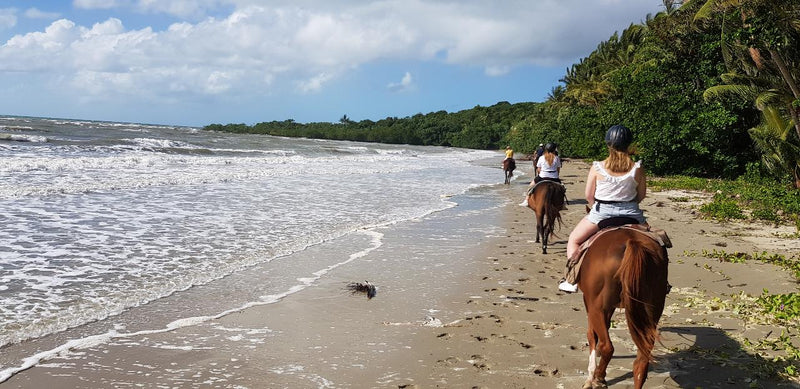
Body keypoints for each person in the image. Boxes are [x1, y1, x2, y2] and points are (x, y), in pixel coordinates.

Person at [558, 125, 649, 293]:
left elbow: (588, 195)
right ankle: (659, 283)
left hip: (602, 214)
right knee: (657, 243)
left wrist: (596, 207)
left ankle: (572, 279)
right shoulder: (637, 168)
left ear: (608, 144)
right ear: (629, 144)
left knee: (574, 240)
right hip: (632, 214)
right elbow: (641, 196)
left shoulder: (598, 167)